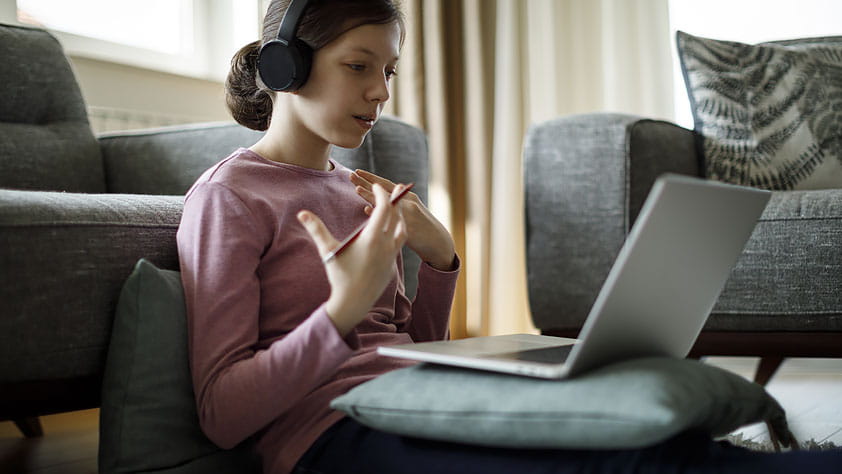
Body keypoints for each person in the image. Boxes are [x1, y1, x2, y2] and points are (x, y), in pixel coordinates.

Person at [177, 1, 842, 473]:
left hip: (420, 404)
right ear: (286, 66)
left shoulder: (359, 191)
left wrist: (440, 261)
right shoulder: (229, 198)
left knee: (657, 443)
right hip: (328, 439)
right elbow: (222, 413)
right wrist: (338, 315)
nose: (381, 92)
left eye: (389, 71)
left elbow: (411, 351)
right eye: (359, 65)